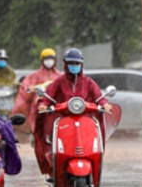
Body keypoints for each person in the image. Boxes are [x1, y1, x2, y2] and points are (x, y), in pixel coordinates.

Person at [34, 48, 112, 178]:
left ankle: (94, 167)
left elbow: (99, 96)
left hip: (85, 120)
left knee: (93, 143)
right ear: (66, 65)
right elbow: (48, 96)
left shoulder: (88, 82)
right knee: (51, 139)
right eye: (71, 63)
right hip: (64, 120)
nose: (74, 66)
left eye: (76, 64)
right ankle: (54, 168)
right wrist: (43, 104)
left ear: (81, 65)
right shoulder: (59, 81)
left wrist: (105, 104)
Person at [12, 48, 62, 134]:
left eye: (51, 58)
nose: (49, 61)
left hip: (56, 108)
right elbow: (25, 92)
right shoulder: (34, 77)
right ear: (42, 60)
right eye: (46, 59)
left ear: (55, 60)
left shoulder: (60, 76)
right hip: (39, 110)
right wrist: (33, 89)